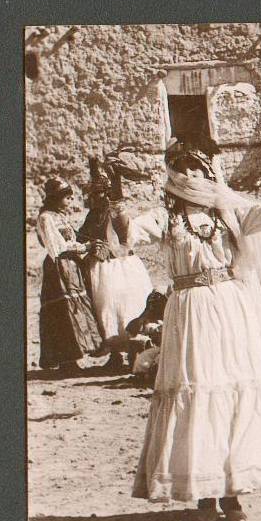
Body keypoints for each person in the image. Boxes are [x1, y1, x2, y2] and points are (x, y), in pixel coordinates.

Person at [128, 139, 261, 521]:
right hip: (191, 309)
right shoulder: (166, 218)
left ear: (209, 173)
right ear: (172, 175)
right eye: (182, 169)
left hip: (230, 305)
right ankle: (205, 495)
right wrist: (115, 201)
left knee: (235, 390)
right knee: (200, 391)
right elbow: (130, 231)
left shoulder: (229, 213)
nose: (190, 176)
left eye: (197, 169)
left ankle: (234, 493)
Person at [77, 158, 154, 369]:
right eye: (93, 195)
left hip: (120, 267)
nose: (95, 198)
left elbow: (125, 239)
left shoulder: (117, 213)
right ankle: (114, 354)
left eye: (100, 193)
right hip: (102, 267)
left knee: (126, 307)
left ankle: (132, 351)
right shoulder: (93, 216)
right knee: (106, 309)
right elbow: (82, 238)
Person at [36, 178, 103, 372]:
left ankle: (74, 357)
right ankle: (66, 360)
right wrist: (85, 247)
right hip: (58, 267)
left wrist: (87, 248)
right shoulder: (46, 218)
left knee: (76, 307)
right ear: (56, 198)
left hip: (71, 266)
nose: (70, 199)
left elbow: (72, 241)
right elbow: (56, 247)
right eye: (67, 196)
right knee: (63, 309)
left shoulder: (60, 216)